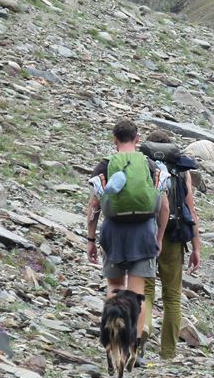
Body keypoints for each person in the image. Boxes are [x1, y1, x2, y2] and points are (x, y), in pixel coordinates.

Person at [86, 118, 169, 357]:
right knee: (136, 293)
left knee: (114, 287)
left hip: (113, 232)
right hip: (143, 232)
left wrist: (91, 239)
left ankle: (113, 341)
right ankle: (133, 346)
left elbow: (94, 205)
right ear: (137, 139)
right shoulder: (149, 165)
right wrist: (159, 236)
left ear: (115, 141)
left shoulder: (106, 164)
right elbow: (164, 206)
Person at [141, 129, 201, 360]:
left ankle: (143, 328)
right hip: (173, 236)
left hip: (146, 232)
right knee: (172, 295)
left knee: (145, 289)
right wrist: (196, 246)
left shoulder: (142, 163)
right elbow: (191, 210)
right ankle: (168, 352)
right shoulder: (180, 170)